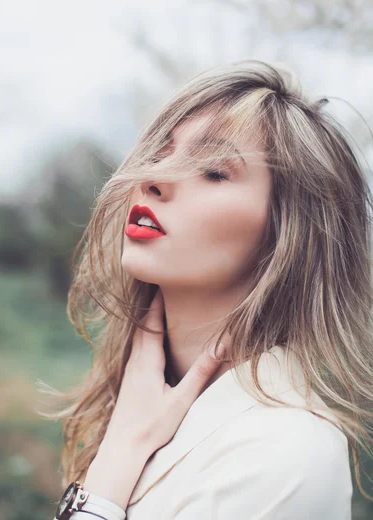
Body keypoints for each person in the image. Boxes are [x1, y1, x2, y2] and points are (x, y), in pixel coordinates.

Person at [48, 61, 373, 519]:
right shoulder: (135, 408)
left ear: (289, 234)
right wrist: (122, 446)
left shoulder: (287, 454)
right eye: (160, 155)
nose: (153, 178)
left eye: (213, 171)